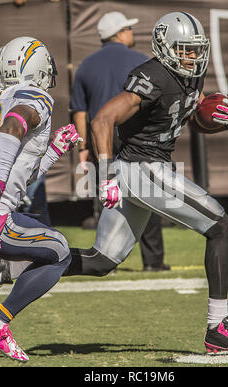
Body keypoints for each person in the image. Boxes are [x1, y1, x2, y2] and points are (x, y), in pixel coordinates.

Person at [64, 12, 228, 355]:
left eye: (195, 49)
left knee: (101, 261)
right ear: (165, 47)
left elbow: (188, 120)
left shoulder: (192, 76)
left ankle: (17, 261)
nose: (193, 56)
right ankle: (218, 327)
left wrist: (217, 120)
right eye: (185, 49)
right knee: (222, 228)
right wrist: (107, 173)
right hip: (141, 169)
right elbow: (102, 119)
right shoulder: (153, 75)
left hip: (147, 169)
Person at [0, 36, 81, 362]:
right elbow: (14, 126)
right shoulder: (35, 96)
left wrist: (53, 151)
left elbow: (22, 174)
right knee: (60, 253)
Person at [71, 11, 168, 271]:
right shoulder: (141, 61)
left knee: (106, 197)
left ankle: (104, 259)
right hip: (133, 138)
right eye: (128, 28)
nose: (131, 33)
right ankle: (153, 261)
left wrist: (83, 147)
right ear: (120, 32)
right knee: (148, 193)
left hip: (98, 137)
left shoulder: (85, 66)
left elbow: (80, 110)